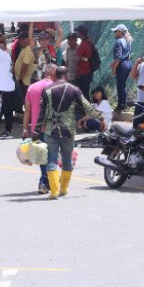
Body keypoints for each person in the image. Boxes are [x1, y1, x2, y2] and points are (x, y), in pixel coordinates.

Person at [36, 66, 102, 199]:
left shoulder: (47, 91)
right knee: (67, 161)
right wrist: (101, 119)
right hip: (68, 131)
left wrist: (37, 130)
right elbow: (87, 107)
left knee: (51, 160)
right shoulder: (74, 90)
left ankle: (54, 191)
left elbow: (42, 113)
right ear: (67, 75)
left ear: (55, 74)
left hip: (51, 131)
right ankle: (64, 189)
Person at [22, 63, 58, 194]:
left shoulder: (32, 88)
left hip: (36, 129)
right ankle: (45, 181)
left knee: (43, 155)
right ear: (53, 73)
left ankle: (46, 181)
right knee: (52, 155)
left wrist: (25, 129)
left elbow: (27, 111)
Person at [0, 26, 17, 139]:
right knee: (7, 109)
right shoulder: (8, 55)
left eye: (0, 43)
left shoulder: (3, 55)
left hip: (3, 87)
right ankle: (8, 131)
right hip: (8, 85)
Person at [110, 24, 133, 112]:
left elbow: (118, 57)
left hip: (122, 65)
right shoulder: (128, 40)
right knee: (122, 85)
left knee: (120, 85)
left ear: (120, 32)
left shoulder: (119, 41)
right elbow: (126, 55)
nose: (114, 33)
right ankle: (123, 104)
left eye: (115, 31)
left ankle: (121, 105)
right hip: (128, 64)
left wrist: (114, 68)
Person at [74, 25, 98, 96]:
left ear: (80, 33)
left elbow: (76, 58)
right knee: (85, 91)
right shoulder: (89, 40)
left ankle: (84, 106)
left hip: (83, 72)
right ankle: (85, 105)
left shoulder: (83, 45)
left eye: (77, 32)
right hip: (88, 71)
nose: (76, 33)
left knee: (83, 93)